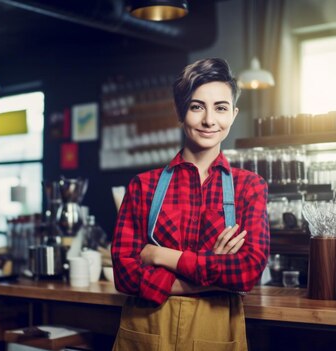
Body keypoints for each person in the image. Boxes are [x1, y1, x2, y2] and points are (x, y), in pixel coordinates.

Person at [111, 58, 269, 351]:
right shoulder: (143, 186)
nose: (210, 120)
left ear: (233, 115)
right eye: (197, 107)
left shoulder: (249, 187)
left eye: (220, 108)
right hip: (147, 331)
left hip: (216, 332)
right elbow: (124, 274)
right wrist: (215, 273)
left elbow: (247, 273)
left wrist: (160, 255)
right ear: (179, 112)